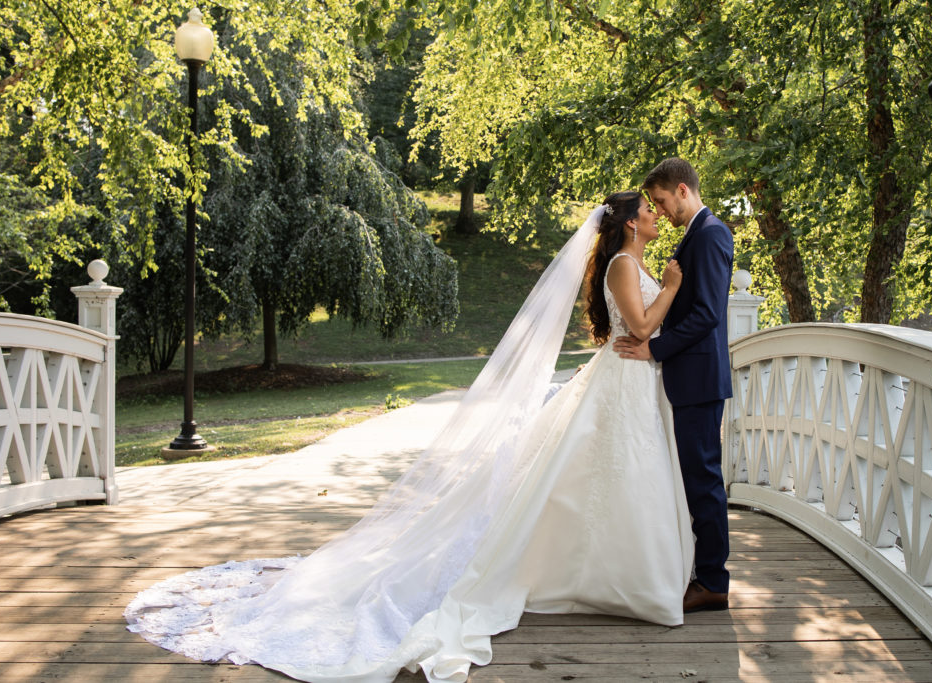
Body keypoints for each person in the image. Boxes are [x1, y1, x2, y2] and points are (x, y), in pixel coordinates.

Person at [125, 191, 693, 683]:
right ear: (627, 223)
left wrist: (665, 293)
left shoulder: (631, 260)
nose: (654, 215)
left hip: (634, 386)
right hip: (621, 382)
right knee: (602, 474)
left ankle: (615, 575)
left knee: (614, 480)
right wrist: (669, 289)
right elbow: (641, 327)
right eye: (647, 210)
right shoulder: (624, 263)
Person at [613, 157, 734, 613]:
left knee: (703, 481)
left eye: (662, 201)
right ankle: (701, 571)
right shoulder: (695, 235)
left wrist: (654, 350)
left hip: (699, 378)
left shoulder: (711, 234)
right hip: (690, 379)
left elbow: (706, 314)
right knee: (694, 480)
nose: (659, 211)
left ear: (682, 190)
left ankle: (712, 582)